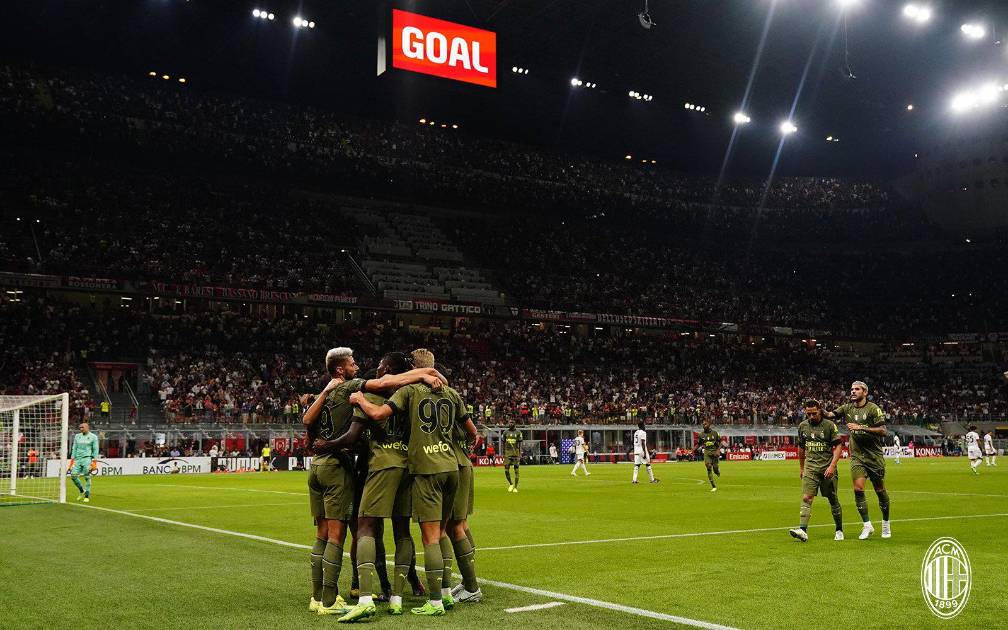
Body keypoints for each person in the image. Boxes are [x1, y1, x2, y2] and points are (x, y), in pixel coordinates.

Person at [301, 347, 446, 617]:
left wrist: (324, 443)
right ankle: (398, 596)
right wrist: (428, 374)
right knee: (403, 532)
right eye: (353, 363)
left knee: (358, 528)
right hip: (406, 465)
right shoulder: (410, 395)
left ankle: (343, 596)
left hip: (365, 465)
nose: (363, 367)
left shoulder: (350, 393)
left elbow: (337, 429)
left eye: (380, 366)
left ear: (388, 371)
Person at [351, 365, 479, 616]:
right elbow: (472, 432)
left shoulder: (408, 392)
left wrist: (359, 399)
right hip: (451, 465)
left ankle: (426, 601)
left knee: (421, 536)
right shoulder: (451, 393)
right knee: (441, 531)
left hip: (422, 468)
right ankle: (443, 592)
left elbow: (376, 415)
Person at [824, 381, 891, 540]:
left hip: (874, 456)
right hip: (857, 457)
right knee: (858, 489)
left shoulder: (873, 409)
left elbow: (883, 431)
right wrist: (818, 408)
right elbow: (830, 415)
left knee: (880, 490)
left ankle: (886, 523)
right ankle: (867, 525)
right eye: (852, 389)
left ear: (865, 392)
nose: (853, 391)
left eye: (857, 389)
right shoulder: (847, 408)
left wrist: (861, 427)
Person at [789, 401, 845, 542]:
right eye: (808, 414)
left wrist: (832, 466)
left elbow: (838, 446)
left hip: (827, 468)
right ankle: (803, 530)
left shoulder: (829, 425)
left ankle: (839, 529)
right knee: (806, 498)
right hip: (811, 468)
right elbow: (801, 447)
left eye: (814, 413)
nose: (811, 416)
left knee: (832, 499)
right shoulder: (803, 426)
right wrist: (802, 468)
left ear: (820, 410)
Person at [68, 421, 99, 502]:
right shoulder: (77, 436)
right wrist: (72, 461)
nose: (81, 429)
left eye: (82, 427)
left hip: (87, 459)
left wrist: (94, 462)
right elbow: (74, 448)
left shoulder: (93, 437)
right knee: (73, 476)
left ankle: (87, 496)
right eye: (80, 427)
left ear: (87, 428)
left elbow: (95, 449)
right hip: (78, 459)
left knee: (87, 477)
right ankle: (82, 491)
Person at [698, 419, 720, 492]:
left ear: (709, 425)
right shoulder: (701, 435)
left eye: (705, 424)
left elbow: (721, 442)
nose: (704, 425)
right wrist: (692, 450)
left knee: (715, 469)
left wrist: (718, 450)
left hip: (714, 452)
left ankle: (717, 472)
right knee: (709, 466)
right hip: (707, 452)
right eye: (703, 424)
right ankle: (713, 486)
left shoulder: (715, 433)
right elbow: (699, 444)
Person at [502, 422, 523, 493]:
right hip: (507, 454)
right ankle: (511, 484)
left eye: (511, 423)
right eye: (509, 423)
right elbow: (503, 443)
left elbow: (520, 443)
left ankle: (515, 487)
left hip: (515, 454)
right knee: (506, 470)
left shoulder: (518, 432)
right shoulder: (505, 432)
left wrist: (520, 453)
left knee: (516, 471)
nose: (510, 424)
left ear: (514, 424)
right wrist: (503, 453)